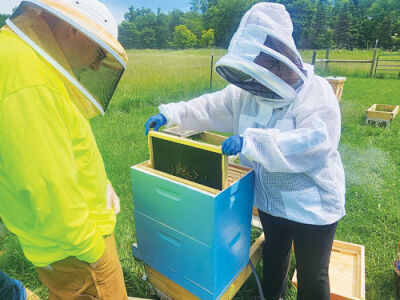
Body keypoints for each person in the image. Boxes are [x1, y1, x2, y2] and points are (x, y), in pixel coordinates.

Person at [145, 2, 345, 300]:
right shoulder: (249, 91)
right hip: (270, 199)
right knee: (275, 253)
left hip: (312, 204)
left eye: (266, 61)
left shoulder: (316, 94)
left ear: (281, 59)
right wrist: (171, 114)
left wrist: (251, 142)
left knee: (313, 273)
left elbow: (313, 144)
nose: (261, 70)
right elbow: (210, 105)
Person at [0, 0, 128, 299]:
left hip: (60, 245)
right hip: (77, 251)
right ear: (74, 30)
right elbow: (46, 185)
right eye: (99, 52)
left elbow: (46, 149)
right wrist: (93, 251)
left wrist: (101, 184)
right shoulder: (27, 74)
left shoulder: (19, 56)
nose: (97, 65)